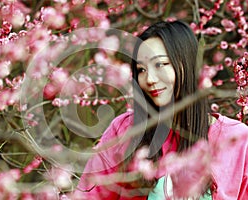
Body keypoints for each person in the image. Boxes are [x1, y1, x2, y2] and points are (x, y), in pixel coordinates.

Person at [73, 20, 248, 199]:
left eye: (159, 65)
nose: (149, 79)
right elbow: (90, 194)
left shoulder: (237, 140)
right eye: (141, 70)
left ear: (186, 65)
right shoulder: (126, 130)